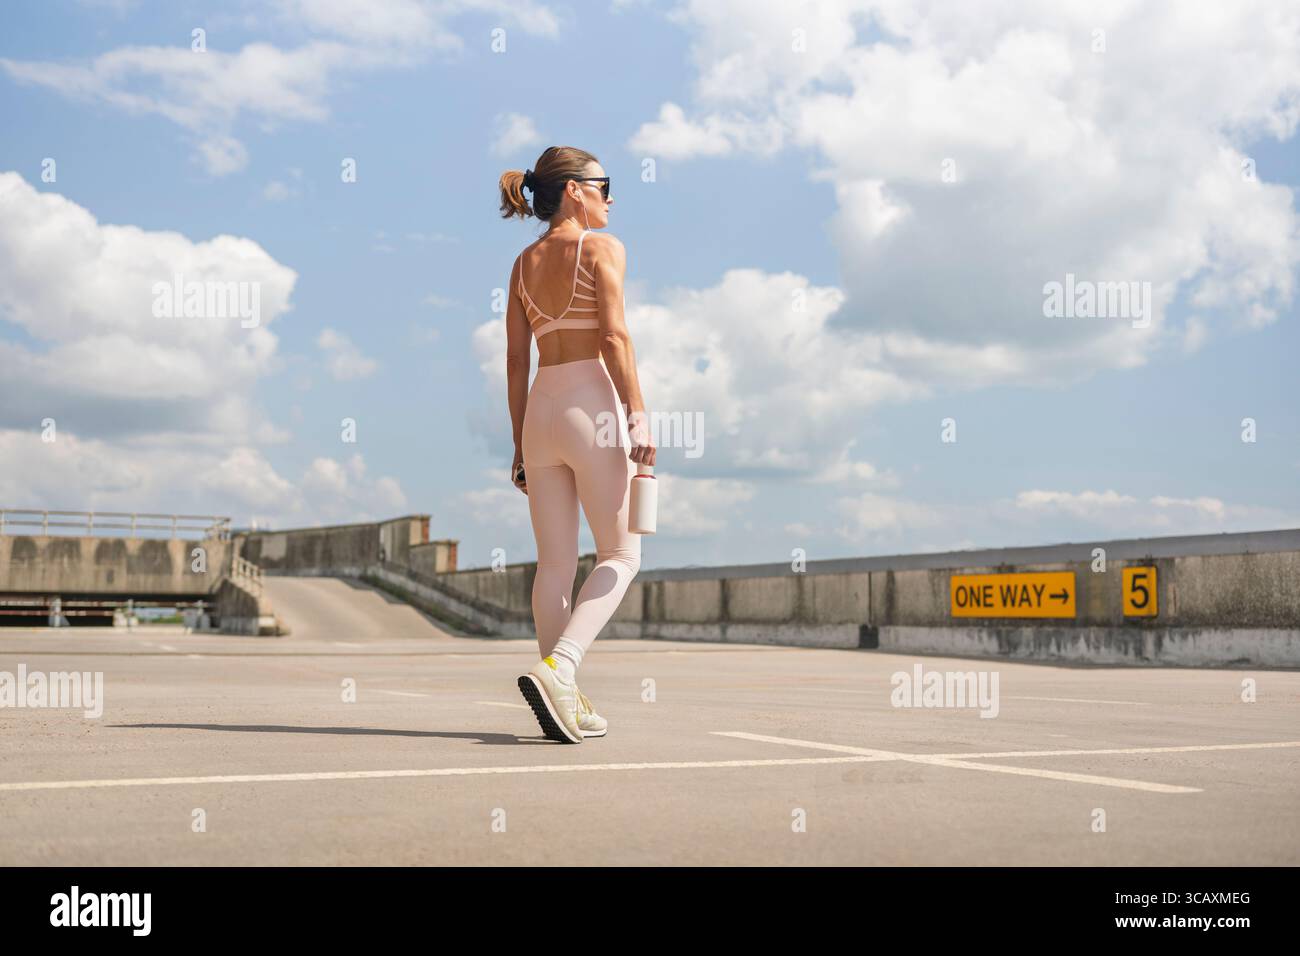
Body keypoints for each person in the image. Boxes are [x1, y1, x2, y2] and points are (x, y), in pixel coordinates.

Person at [498, 146, 655, 744]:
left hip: (541, 409)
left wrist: (517, 441)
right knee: (621, 555)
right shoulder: (602, 248)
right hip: (592, 402)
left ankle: (567, 697)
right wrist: (638, 415)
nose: (610, 196)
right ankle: (560, 666)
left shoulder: (521, 263)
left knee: (556, 566)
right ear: (573, 190)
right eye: (603, 184)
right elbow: (614, 335)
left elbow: (516, 360)